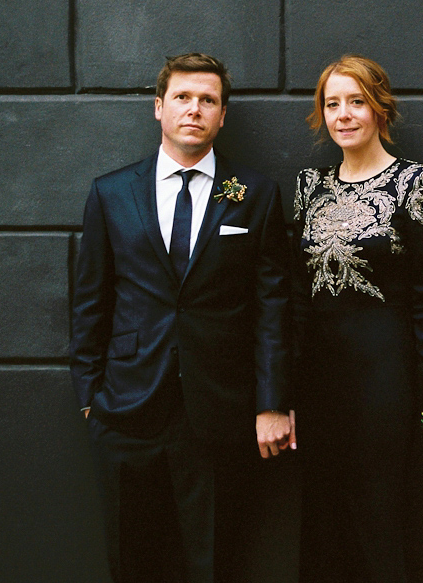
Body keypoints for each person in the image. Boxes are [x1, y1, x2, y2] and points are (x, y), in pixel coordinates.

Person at [70, 52, 294, 583]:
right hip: (127, 406)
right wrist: (88, 395)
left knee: (214, 560)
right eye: (182, 97)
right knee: (133, 559)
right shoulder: (111, 192)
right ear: (158, 108)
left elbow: (274, 307)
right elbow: (89, 298)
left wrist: (272, 402)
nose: (194, 109)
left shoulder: (255, 195)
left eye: (208, 100)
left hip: (220, 410)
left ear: (222, 116)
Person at [293, 55, 423, 583]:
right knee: (323, 520)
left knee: (381, 515)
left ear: (380, 109)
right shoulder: (308, 185)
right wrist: (284, 390)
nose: (343, 115)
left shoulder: (416, 183)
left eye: (356, 102)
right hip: (320, 383)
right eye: (332, 104)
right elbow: (297, 295)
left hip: (385, 379)